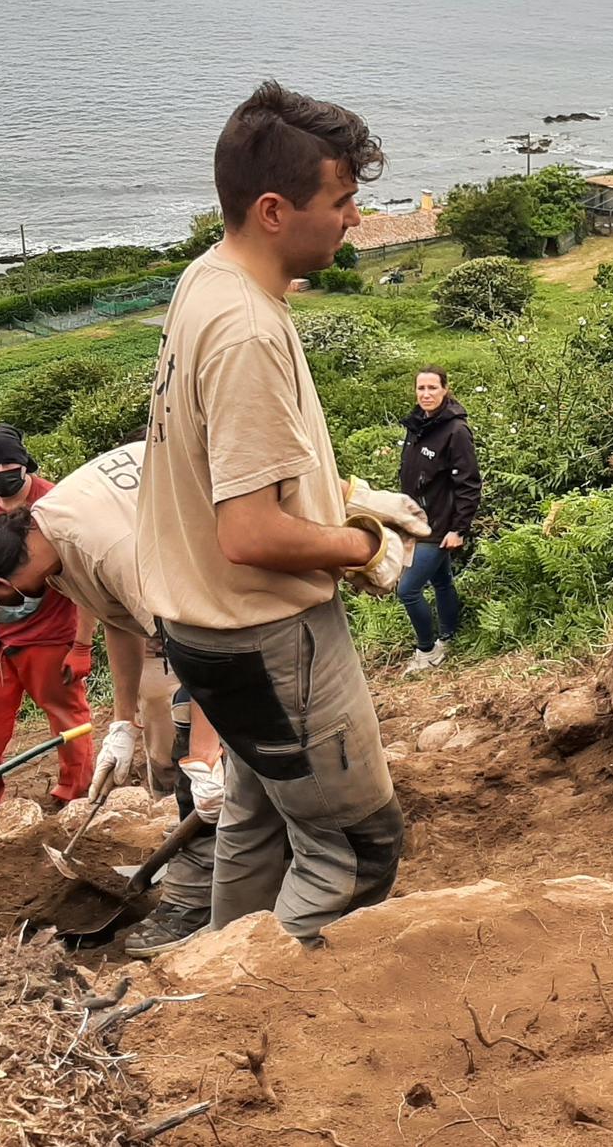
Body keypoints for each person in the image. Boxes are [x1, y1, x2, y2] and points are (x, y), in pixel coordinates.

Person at [135, 80, 430, 945]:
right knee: (354, 849)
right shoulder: (247, 333)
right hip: (269, 639)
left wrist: (331, 496)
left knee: (261, 827)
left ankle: (216, 997)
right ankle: (264, 999)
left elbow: (225, 477)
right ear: (274, 209)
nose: (354, 221)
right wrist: (360, 542)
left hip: (205, 632)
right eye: (341, 202)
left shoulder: (207, 282)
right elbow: (251, 533)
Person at [0, 439, 224, 957]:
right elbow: (119, 620)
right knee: (195, 745)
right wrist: (123, 723)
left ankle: (203, 897)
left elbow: (209, 647)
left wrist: (205, 753)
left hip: (241, 595)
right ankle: (220, 860)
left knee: (204, 747)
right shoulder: (52, 546)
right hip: (201, 603)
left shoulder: (102, 547)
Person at [0, 423, 96, 815]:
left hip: (50, 632)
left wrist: (81, 646)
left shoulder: (56, 501)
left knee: (67, 718)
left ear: (24, 461)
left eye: (7, 465)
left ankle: (74, 800)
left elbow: (88, 579)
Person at [395, 366, 481, 674]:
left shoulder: (456, 431)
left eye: (432, 388)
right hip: (415, 521)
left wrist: (459, 529)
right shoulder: (417, 425)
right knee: (442, 581)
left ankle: (427, 650)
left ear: (445, 389)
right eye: (421, 388)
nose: (426, 394)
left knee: (407, 591)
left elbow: (468, 483)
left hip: (439, 526)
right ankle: (449, 636)